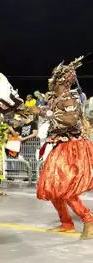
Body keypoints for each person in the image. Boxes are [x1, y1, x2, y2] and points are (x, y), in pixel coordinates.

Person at [30, 57, 93, 239]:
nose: (50, 81)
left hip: (72, 147)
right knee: (51, 186)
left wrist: (43, 112)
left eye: (53, 78)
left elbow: (70, 121)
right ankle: (66, 223)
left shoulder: (70, 97)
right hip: (59, 146)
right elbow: (48, 114)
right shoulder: (55, 98)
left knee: (64, 187)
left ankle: (88, 219)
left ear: (61, 81)